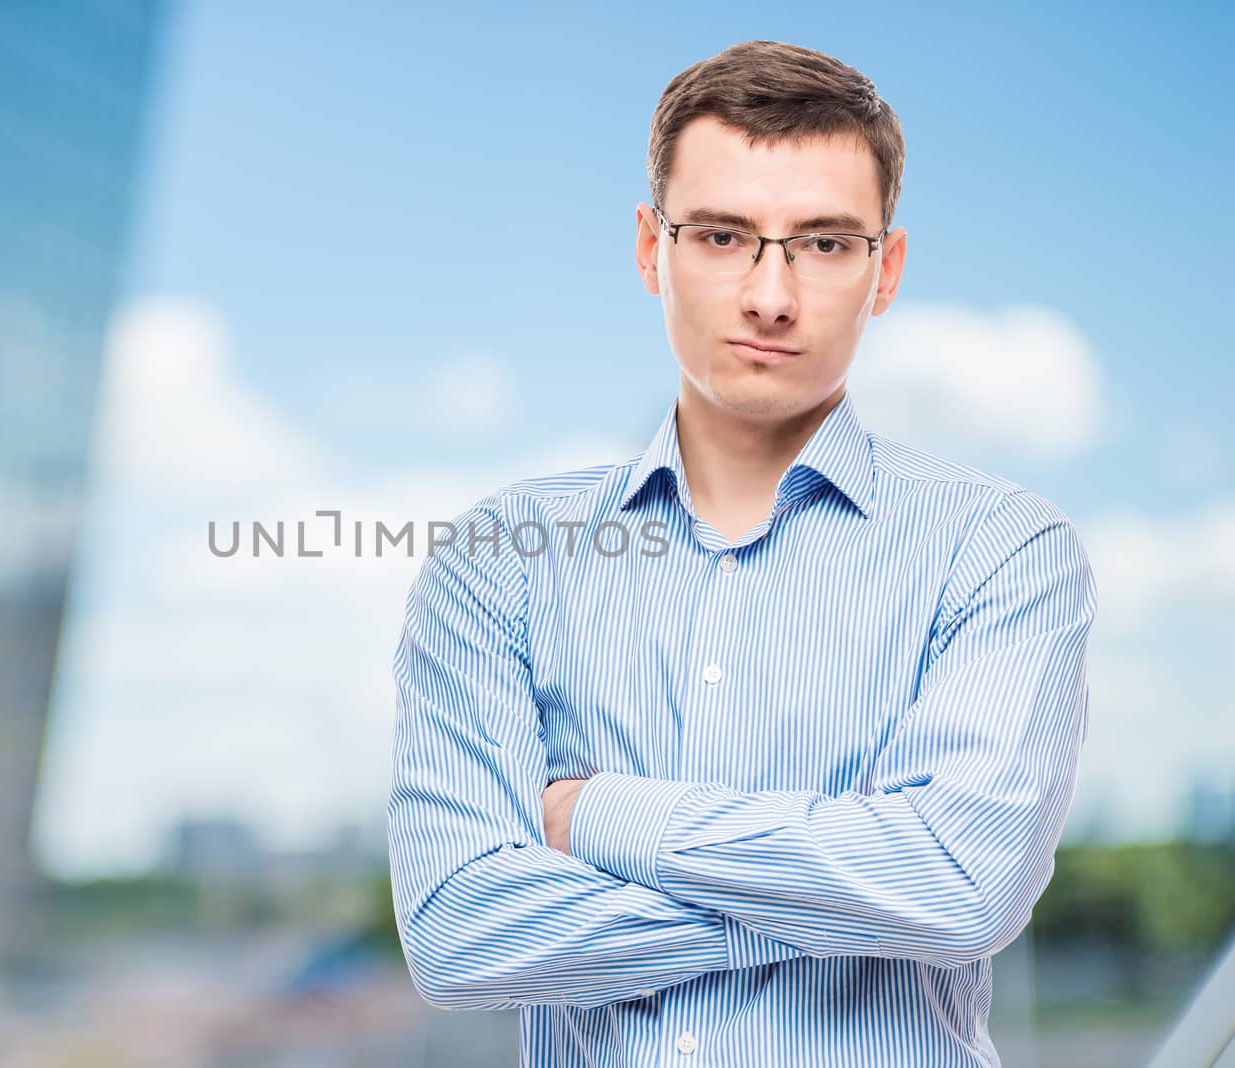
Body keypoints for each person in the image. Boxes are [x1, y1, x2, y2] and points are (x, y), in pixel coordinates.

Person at [386, 37, 1098, 1067]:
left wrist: (598, 817)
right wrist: (851, 898)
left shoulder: (1000, 550)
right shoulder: (501, 558)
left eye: (822, 244)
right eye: (722, 236)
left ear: (884, 268)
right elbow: (459, 932)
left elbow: (959, 886)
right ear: (650, 249)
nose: (771, 295)